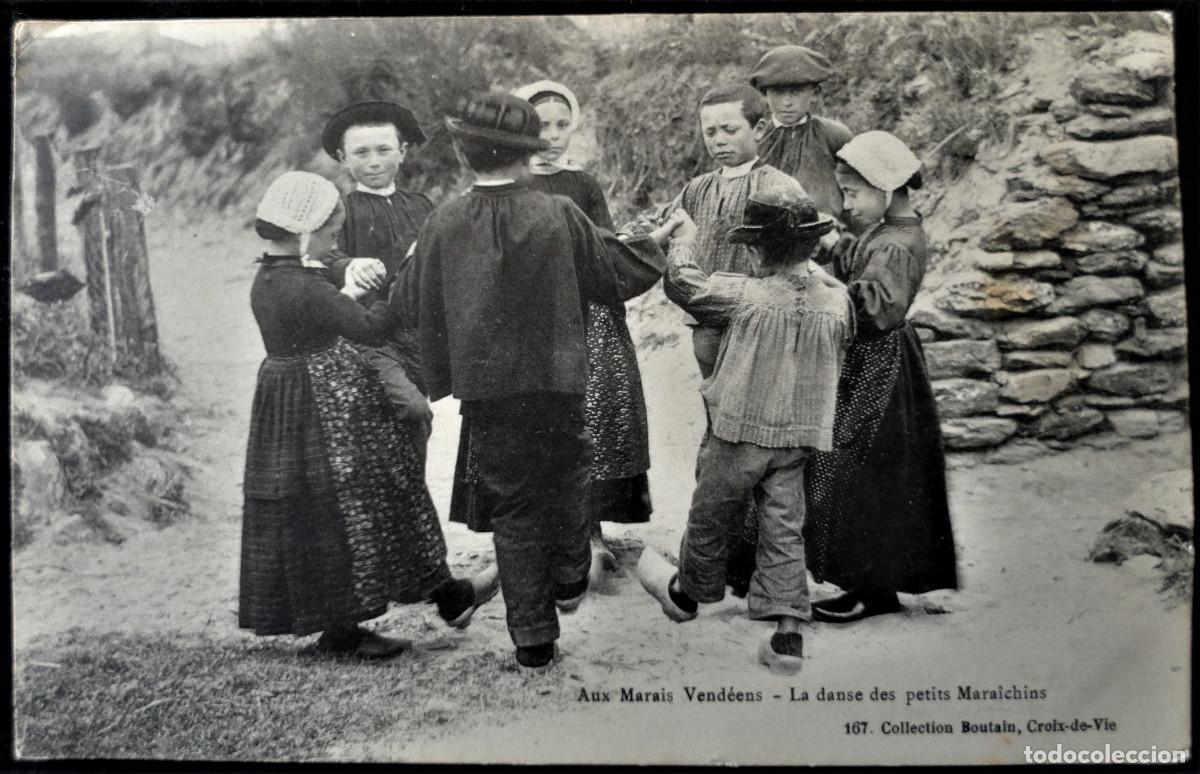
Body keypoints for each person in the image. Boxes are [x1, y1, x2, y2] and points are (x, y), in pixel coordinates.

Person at [392, 93, 668, 673]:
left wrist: (415, 262)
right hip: (560, 384)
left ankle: (533, 641)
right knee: (569, 481)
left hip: (488, 394)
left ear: (466, 154)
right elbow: (612, 277)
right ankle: (570, 575)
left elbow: (407, 302)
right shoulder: (558, 214)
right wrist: (658, 247)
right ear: (528, 154)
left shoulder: (443, 220)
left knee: (513, 509)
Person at [239, 171, 497, 659]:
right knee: (371, 493)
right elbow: (371, 327)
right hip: (324, 406)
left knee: (319, 508)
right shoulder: (306, 288)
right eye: (331, 233)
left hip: (289, 402)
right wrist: (410, 276)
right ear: (306, 231)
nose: (334, 240)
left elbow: (322, 311)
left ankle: (438, 598)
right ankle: (363, 625)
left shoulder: (271, 278)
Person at [637, 184, 854, 676]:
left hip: (738, 433)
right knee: (783, 525)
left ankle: (688, 593)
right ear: (811, 247)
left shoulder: (745, 295)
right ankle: (787, 635)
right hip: (798, 435)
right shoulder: (836, 302)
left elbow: (686, 286)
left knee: (711, 512)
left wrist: (684, 242)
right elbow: (829, 307)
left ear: (754, 250)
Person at [448, 80, 653, 587]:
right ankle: (523, 542)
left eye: (563, 125)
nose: (554, 136)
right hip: (517, 331)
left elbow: (603, 250)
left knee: (586, 429)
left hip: (579, 323)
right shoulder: (501, 189)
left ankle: (589, 531)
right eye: (543, 126)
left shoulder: (582, 185)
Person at [803, 130, 959, 623]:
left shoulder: (898, 244)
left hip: (882, 370)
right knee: (864, 472)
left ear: (886, 191)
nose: (847, 204)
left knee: (867, 472)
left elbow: (876, 307)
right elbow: (861, 261)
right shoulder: (888, 234)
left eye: (853, 194)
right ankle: (869, 583)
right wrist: (835, 246)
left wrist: (823, 284)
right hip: (874, 363)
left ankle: (873, 587)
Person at [319, 101, 436, 453]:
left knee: (407, 433)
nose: (373, 161)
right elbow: (323, 253)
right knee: (413, 412)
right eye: (361, 152)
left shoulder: (421, 206)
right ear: (343, 157)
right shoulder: (340, 210)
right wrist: (348, 265)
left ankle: (410, 499)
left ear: (402, 152)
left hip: (417, 341)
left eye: (384, 150)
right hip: (370, 340)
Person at [750, 45, 854, 222]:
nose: (787, 102)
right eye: (777, 92)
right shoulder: (754, 141)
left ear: (814, 93)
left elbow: (857, 191)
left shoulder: (834, 135)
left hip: (828, 236)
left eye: (796, 92)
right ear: (765, 95)